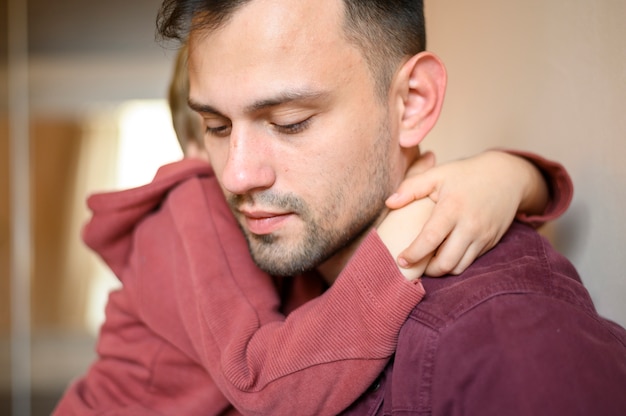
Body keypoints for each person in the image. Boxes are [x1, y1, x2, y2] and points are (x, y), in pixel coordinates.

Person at [145, 0, 624, 415]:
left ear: (412, 103)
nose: (235, 176)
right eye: (217, 127)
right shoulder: (287, 270)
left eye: (289, 122)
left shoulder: (502, 340)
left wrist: (517, 175)